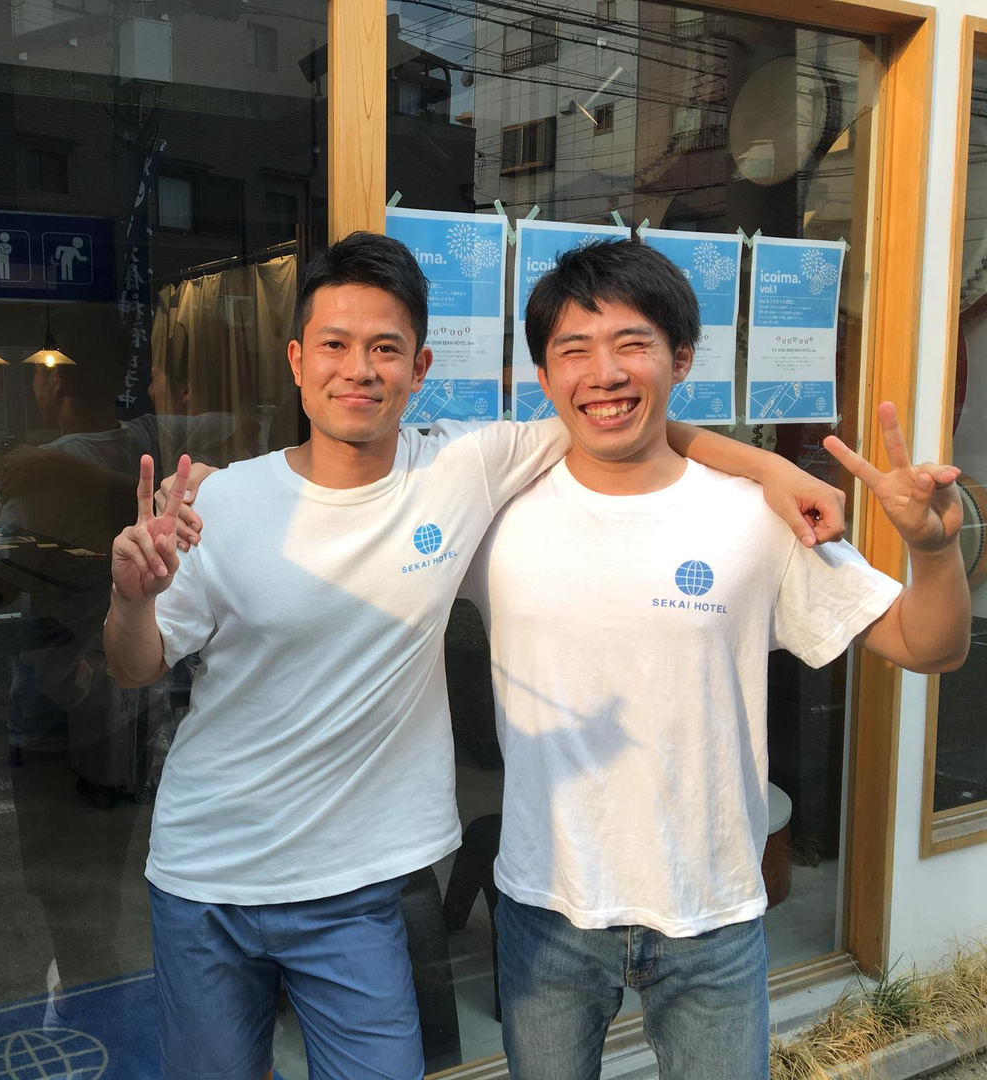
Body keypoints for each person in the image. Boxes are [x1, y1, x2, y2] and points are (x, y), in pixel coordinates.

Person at [105, 231, 849, 1079]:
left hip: (359, 883)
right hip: (209, 871)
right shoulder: (224, 501)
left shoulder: (465, 465)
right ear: (297, 361)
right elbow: (135, 665)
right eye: (335, 346)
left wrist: (767, 468)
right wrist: (131, 599)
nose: (359, 370)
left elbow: (622, 417)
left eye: (386, 349)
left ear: (419, 368)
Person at [457, 239, 970, 1080]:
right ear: (543, 377)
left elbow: (931, 645)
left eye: (632, 344)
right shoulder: (495, 511)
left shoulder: (757, 516)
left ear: (682, 358)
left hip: (714, 913)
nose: (604, 374)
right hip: (547, 905)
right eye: (574, 351)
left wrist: (934, 550)